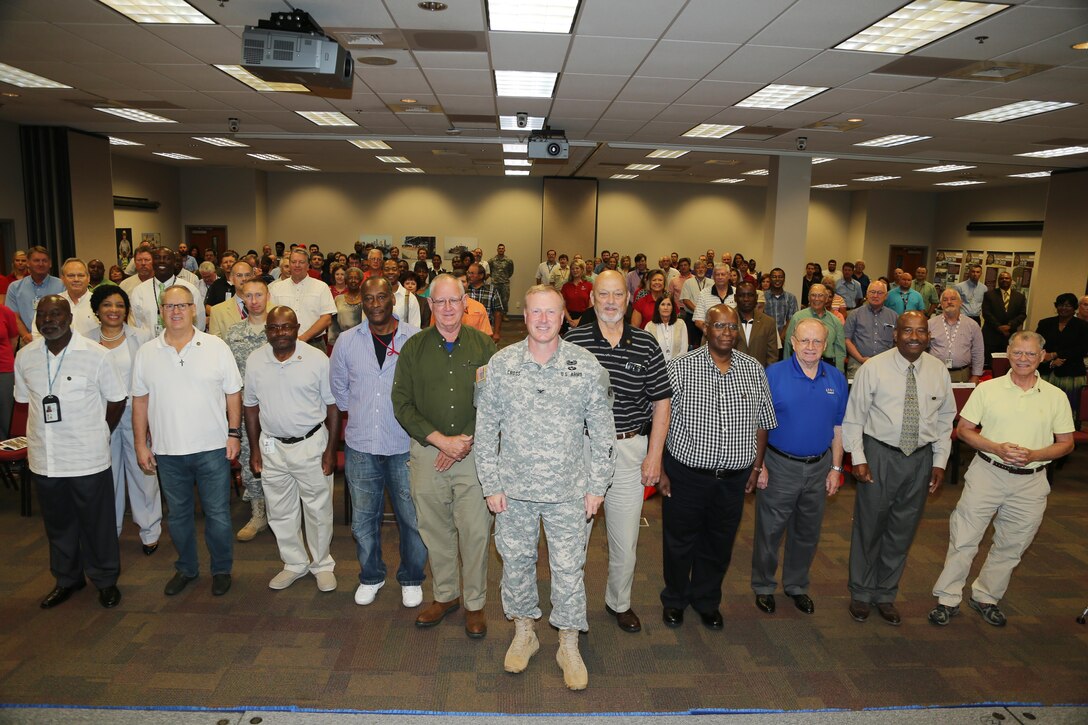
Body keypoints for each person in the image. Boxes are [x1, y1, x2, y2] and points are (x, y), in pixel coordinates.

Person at [475, 285, 616, 690]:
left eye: (550, 313)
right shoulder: (501, 365)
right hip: (513, 492)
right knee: (516, 564)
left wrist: (597, 486)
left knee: (568, 570)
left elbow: (603, 433)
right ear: (525, 314)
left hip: (569, 492)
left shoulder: (585, 366)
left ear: (563, 316)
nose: (541, 319)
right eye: (535, 312)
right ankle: (525, 632)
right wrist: (491, 483)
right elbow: (486, 431)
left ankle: (568, 642)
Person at [928, 331, 1074, 628]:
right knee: (965, 538)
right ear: (1008, 353)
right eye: (1018, 353)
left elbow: (1067, 443)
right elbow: (965, 430)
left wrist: (1035, 455)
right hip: (987, 473)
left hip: (1032, 481)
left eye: (1030, 354)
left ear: (1042, 357)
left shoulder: (1056, 396)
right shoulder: (988, 389)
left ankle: (986, 596)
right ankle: (947, 598)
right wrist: (995, 447)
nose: (1023, 359)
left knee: (1013, 544)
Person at [565, 270, 672, 634]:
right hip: (583, 450)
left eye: (618, 295)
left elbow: (661, 403)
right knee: (574, 540)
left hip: (630, 450)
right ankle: (571, 607)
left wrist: (654, 455)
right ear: (591, 299)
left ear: (628, 300)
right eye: (603, 295)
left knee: (625, 542)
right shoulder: (573, 341)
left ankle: (619, 602)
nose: (610, 301)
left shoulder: (646, 343)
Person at [659, 304, 777, 630]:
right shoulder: (681, 368)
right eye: (719, 326)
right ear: (706, 329)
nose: (726, 332)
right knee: (679, 542)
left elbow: (763, 422)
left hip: (733, 479)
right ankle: (675, 599)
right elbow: (662, 420)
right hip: (687, 475)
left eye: (732, 326)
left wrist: (756, 467)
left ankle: (707, 600)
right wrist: (661, 469)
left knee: (719, 542)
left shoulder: (753, 368)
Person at [392, 274, 497, 637]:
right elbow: (401, 404)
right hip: (427, 453)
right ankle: (446, 595)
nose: (448, 308)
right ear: (430, 306)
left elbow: (496, 403)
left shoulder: (485, 347)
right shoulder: (414, 348)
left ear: (465, 304)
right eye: (440, 302)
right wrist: (440, 441)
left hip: (473, 453)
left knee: (474, 530)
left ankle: (475, 603)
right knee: (434, 529)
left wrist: (463, 441)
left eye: (454, 301)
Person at [842, 311, 957, 626]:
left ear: (928, 336)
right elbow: (854, 417)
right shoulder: (873, 368)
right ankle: (862, 593)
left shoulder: (938, 371)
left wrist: (939, 462)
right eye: (908, 331)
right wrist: (859, 457)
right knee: (870, 527)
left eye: (921, 331)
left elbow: (946, 420)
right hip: (880, 455)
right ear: (896, 334)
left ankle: (885, 594)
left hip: (919, 459)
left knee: (902, 531)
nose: (915, 337)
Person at [15, 295, 126, 609]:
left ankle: (105, 580)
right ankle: (67, 579)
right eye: (43, 315)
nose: (49, 320)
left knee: (96, 523)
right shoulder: (25, 356)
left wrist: (101, 432)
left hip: (87, 457)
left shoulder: (96, 356)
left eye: (56, 314)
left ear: (69, 317)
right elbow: (26, 402)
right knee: (58, 523)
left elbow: (117, 399)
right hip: (45, 457)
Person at [131, 285, 242, 597]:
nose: (176, 312)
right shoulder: (146, 353)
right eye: (169, 306)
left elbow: (233, 392)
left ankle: (221, 569)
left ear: (194, 309)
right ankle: (187, 569)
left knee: (218, 515)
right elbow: (140, 402)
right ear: (161, 311)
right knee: (178, 517)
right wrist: (141, 444)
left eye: (182, 305)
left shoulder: (216, 346)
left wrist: (234, 434)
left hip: (212, 449)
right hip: (168, 451)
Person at [332, 277, 426, 607]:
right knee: (363, 521)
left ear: (393, 300)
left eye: (381, 297)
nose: (374, 304)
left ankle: (412, 577)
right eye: (368, 298)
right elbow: (339, 391)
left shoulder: (415, 339)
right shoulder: (346, 341)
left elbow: (423, 392)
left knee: (412, 519)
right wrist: (364, 412)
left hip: (403, 445)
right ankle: (371, 575)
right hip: (361, 446)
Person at [752, 318, 847, 616]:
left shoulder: (836, 379)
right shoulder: (773, 374)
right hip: (779, 465)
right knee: (770, 531)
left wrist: (836, 468)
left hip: (819, 467)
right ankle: (764, 586)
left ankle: (796, 586)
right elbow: (757, 423)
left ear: (826, 345)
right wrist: (760, 465)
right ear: (792, 342)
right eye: (804, 341)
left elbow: (839, 427)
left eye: (817, 341)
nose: (810, 347)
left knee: (807, 533)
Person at [243, 306, 340, 592]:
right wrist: (255, 450)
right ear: (267, 331)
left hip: (311, 444)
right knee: (279, 510)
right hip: (272, 447)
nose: (280, 333)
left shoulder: (316, 359)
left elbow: (333, 407)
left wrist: (330, 450)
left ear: (297, 328)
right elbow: (250, 407)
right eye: (274, 328)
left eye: (286, 327)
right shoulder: (255, 360)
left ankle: (322, 564)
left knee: (318, 509)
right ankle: (294, 563)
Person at [88, 285, 161, 555]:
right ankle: (111, 530)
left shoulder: (141, 338)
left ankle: (150, 530)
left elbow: (151, 379)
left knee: (144, 473)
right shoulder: (84, 340)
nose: (114, 310)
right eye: (107, 305)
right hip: (101, 417)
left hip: (136, 415)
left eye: (119, 305)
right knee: (108, 476)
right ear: (97, 309)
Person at [225, 279, 275, 541]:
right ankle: (258, 514)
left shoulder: (280, 329)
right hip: (247, 411)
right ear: (241, 298)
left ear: (268, 296)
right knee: (249, 459)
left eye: (259, 295)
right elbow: (227, 378)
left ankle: (282, 513)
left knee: (281, 461)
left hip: (278, 409)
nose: (254, 300)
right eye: (249, 296)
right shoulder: (233, 334)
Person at [268, 248, 336, 350]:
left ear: (308, 265)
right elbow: (270, 316)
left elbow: (326, 319)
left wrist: (303, 338)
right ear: (289, 264)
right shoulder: (276, 288)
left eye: (301, 262)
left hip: (315, 344)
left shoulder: (321, 287)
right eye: (294, 262)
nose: (297, 265)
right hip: (283, 345)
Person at [130, 247, 206, 337]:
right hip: (150, 347)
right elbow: (136, 325)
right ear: (152, 262)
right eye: (157, 258)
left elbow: (199, 324)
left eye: (167, 258)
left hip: (183, 347)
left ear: (174, 262)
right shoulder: (139, 291)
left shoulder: (190, 290)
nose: (162, 261)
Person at [1035, 292, 1088, 418]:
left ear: (1074, 307)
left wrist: (1055, 355)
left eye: (1068, 305)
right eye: (1061, 305)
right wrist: (1049, 360)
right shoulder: (1045, 323)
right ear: (1056, 306)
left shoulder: (1083, 326)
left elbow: (1083, 349)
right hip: (1046, 371)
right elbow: (1037, 344)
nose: (1064, 308)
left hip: (1071, 373)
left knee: (1066, 409)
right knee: (1043, 408)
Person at [6, 246, 64, 346]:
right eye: (36, 260)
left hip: (56, 339)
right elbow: (13, 316)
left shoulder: (62, 285)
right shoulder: (15, 287)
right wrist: (25, 335)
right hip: (27, 340)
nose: (41, 264)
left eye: (44, 261)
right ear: (28, 263)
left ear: (50, 263)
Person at [783, 284, 846, 372]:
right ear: (808, 298)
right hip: (800, 365)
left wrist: (838, 373)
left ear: (826, 298)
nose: (816, 299)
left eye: (820, 295)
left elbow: (840, 350)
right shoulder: (797, 317)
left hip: (827, 366)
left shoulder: (835, 321)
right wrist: (787, 369)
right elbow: (788, 345)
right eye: (813, 295)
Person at [843, 280, 898, 379]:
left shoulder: (894, 316)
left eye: (880, 293)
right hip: (858, 363)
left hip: (886, 365)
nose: (875, 295)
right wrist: (861, 359)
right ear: (867, 294)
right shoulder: (854, 314)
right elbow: (847, 340)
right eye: (872, 292)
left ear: (886, 296)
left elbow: (897, 342)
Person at [928, 289, 984, 384]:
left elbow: (978, 351)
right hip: (935, 373)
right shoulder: (930, 324)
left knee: (960, 399)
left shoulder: (972, 325)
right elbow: (923, 349)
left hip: (962, 374)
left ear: (961, 303)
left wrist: (976, 375)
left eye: (953, 299)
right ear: (941, 304)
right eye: (945, 300)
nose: (949, 302)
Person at [981, 271, 1027, 365]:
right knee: (989, 364)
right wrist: (999, 327)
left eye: (1007, 278)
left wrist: (1010, 326)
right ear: (998, 281)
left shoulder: (1020, 297)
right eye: (1001, 278)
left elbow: (1022, 314)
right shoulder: (989, 295)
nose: (1004, 280)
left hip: (1009, 336)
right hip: (991, 336)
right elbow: (986, 313)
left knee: (1007, 364)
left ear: (1011, 281)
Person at [733, 282, 778, 368]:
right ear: (735, 298)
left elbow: (772, 357)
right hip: (731, 377)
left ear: (756, 298)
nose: (746, 299)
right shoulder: (726, 320)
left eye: (750, 295)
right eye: (741, 295)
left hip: (759, 377)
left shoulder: (768, 322)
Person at [208, 261, 253, 339]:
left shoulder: (269, 308)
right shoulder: (217, 311)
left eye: (247, 275)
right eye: (239, 275)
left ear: (253, 277)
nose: (244, 279)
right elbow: (215, 345)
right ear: (231, 279)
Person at [55, 258, 100, 337]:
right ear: (62, 279)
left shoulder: (100, 302)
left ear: (88, 278)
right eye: (71, 276)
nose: (76, 279)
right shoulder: (54, 303)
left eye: (81, 275)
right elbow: (38, 334)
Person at [464, 263, 503, 343]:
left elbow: (498, 312)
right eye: (468, 272)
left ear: (481, 275)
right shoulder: (464, 289)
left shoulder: (491, 290)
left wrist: (496, 333)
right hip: (466, 331)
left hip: (485, 330)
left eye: (471, 273)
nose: (468, 275)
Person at [692, 264, 735, 335]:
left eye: (723, 274)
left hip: (732, 337)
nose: (720, 277)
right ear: (713, 277)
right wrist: (710, 333)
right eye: (717, 275)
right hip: (709, 338)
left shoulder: (736, 293)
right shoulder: (704, 293)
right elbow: (698, 320)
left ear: (729, 276)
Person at [329, 266, 365, 348]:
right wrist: (333, 341)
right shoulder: (338, 299)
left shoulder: (367, 298)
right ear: (346, 280)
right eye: (350, 278)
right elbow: (333, 323)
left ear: (360, 280)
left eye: (356, 278)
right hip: (343, 342)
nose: (353, 281)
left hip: (364, 341)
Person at [763, 268, 798, 348]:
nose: (777, 279)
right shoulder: (763, 297)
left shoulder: (791, 298)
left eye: (780, 277)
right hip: (765, 339)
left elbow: (792, 319)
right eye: (774, 277)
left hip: (784, 340)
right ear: (770, 279)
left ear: (784, 279)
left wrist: (782, 335)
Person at [648, 295, 687, 362]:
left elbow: (684, 349)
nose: (666, 308)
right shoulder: (649, 326)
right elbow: (648, 351)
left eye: (669, 304)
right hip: (656, 367)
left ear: (672, 308)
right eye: (662, 304)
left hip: (677, 366)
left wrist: (673, 364)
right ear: (658, 308)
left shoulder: (681, 324)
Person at [385, 259, 421, 329]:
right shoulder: (375, 296)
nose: (390, 272)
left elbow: (415, 328)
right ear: (382, 272)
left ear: (399, 272)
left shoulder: (410, 298)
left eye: (394, 269)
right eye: (386, 269)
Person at [560, 259, 592, 332]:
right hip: (568, 317)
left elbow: (590, 307)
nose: (575, 270)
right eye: (572, 269)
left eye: (577, 268)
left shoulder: (589, 285)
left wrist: (579, 320)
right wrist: (569, 320)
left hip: (584, 317)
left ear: (582, 270)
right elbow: (562, 305)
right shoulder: (566, 286)